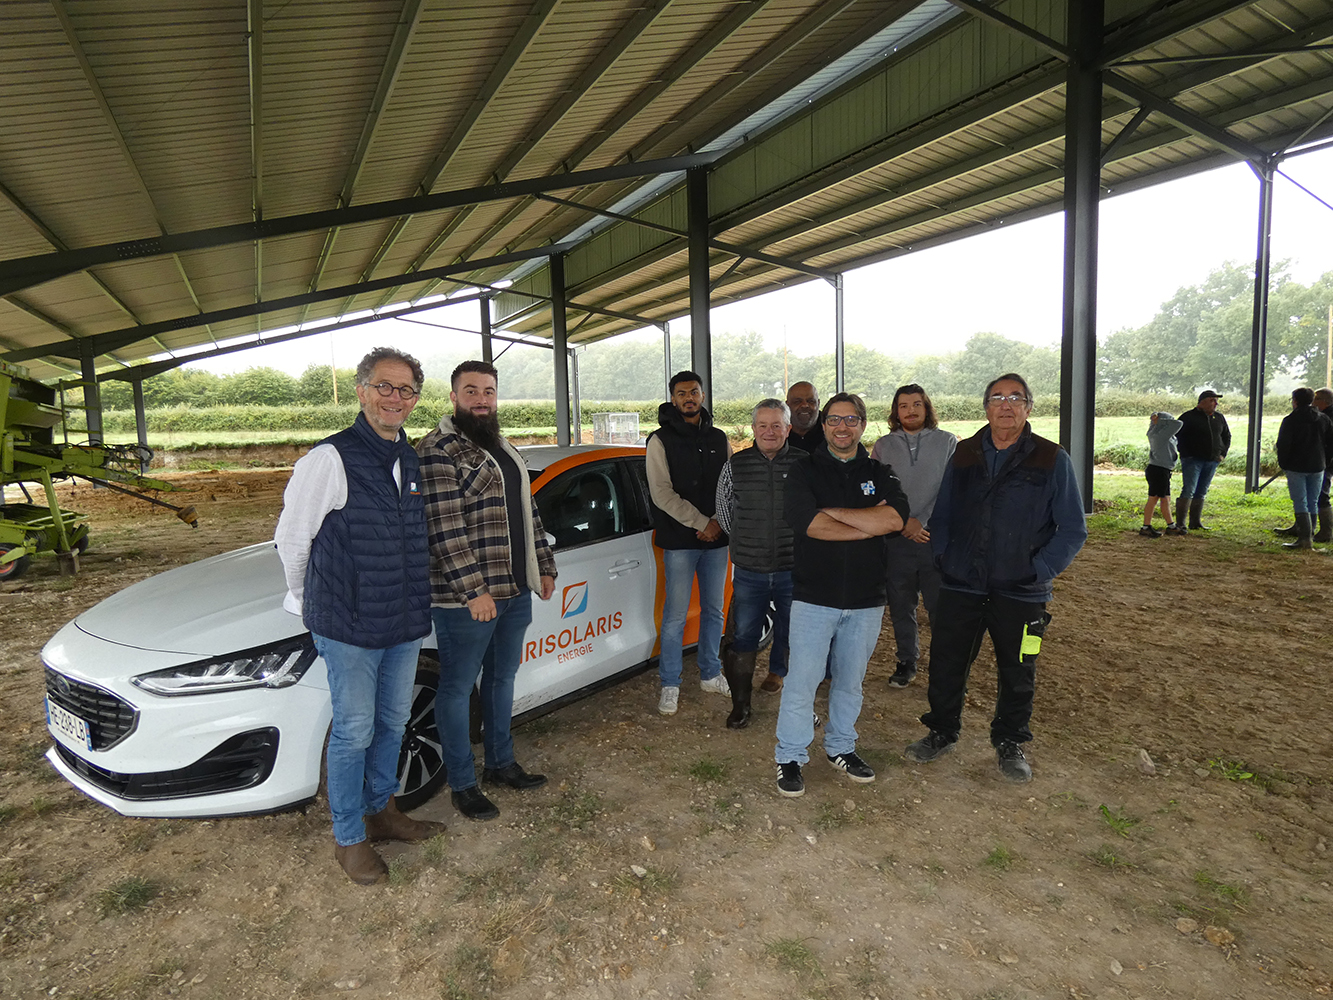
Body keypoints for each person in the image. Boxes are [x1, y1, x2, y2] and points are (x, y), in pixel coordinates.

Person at [274, 347, 443, 885]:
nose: (395, 399)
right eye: (384, 387)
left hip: (402, 618)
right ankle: (348, 837)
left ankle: (382, 812)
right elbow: (292, 539)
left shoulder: (409, 458)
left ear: (416, 399)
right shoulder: (330, 458)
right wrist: (310, 600)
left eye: (406, 390)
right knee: (353, 729)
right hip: (348, 623)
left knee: (393, 721)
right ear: (361, 390)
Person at [904, 374, 1087, 784]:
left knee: (1018, 668)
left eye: (1015, 398)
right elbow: (944, 515)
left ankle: (1010, 741)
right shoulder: (966, 453)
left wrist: (1038, 570)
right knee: (947, 662)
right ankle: (941, 730)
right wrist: (944, 558)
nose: (1006, 405)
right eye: (997, 398)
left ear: (1028, 407)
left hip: (1022, 591)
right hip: (960, 584)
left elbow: (1072, 529)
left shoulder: (1051, 458)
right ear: (986, 407)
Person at [416, 361, 557, 822]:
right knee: (457, 689)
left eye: (489, 391)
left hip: (514, 589)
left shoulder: (500, 445)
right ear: (453, 397)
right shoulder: (438, 450)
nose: (481, 399)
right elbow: (444, 530)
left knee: (501, 680)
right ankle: (462, 784)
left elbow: (528, 510)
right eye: (471, 390)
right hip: (467, 600)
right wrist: (473, 591)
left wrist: (544, 565)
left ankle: (500, 764)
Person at [774, 393, 909, 798]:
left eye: (851, 420)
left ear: (863, 425)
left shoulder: (880, 472)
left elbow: (895, 517)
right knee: (802, 680)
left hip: (867, 599)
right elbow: (806, 523)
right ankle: (791, 756)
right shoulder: (803, 470)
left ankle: (841, 747)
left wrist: (832, 513)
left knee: (850, 682)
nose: (842, 427)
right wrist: (869, 525)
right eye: (834, 420)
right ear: (824, 425)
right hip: (814, 597)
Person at [646, 371, 733, 716]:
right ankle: (670, 683)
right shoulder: (659, 440)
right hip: (680, 541)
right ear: (673, 398)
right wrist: (703, 523)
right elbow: (661, 493)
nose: (689, 398)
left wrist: (718, 524)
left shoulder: (718, 437)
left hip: (717, 541)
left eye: (694, 392)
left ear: (702, 395)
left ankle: (711, 673)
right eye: (682, 393)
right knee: (675, 617)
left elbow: (729, 484)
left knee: (715, 610)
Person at [715, 399, 804, 720]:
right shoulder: (734, 466)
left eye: (776, 425)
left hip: (794, 568)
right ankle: (741, 705)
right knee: (743, 636)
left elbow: (816, 513)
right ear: (753, 429)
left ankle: (787, 687)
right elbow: (724, 511)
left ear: (788, 429)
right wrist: (745, 538)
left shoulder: (805, 464)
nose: (769, 431)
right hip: (749, 570)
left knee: (794, 632)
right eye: (762, 425)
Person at [869, 383, 956, 688]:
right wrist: (904, 522)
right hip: (896, 539)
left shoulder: (947, 442)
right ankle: (907, 660)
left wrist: (923, 522)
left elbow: (951, 489)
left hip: (933, 539)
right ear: (896, 411)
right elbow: (877, 490)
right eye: (904, 405)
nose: (910, 410)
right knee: (901, 604)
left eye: (917, 404)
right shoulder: (882, 446)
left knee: (939, 607)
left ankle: (945, 668)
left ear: (926, 407)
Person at [1274, 386, 1333, 551]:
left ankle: (1303, 539)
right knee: (1313, 501)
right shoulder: (1323, 419)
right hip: (1318, 466)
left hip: (1296, 466)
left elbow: (1283, 444)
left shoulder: (1290, 420)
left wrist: (1284, 464)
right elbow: (1330, 443)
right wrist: (1325, 461)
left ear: (1295, 401)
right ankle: (1310, 540)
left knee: (1300, 501)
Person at [1175, 389, 1230, 532]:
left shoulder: (1219, 418)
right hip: (1192, 460)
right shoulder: (1187, 417)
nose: (1215, 403)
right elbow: (1176, 437)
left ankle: (1195, 522)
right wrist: (1186, 453)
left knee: (1201, 491)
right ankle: (1180, 523)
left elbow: (1226, 436)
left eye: (1216, 401)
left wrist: (1222, 454)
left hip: (1212, 460)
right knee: (1189, 490)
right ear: (1202, 402)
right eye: (1212, 400)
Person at [1143, 411, 1184, 536]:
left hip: (1162, 469)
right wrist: (1160, 420)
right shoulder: (1160, 435)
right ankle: (1146, 527)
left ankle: (1171, 526)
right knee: (1154, 498)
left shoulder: (1157, 433)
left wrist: (1156, 420)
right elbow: (1179, 423)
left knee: (1165, 498)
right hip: (1158, 470)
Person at [785, 381, 825, 454]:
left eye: (811, 401)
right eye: (797, 401)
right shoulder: (778, 431)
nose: (805, 405)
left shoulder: (831, 429)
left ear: (818, 403)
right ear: (787, 405)